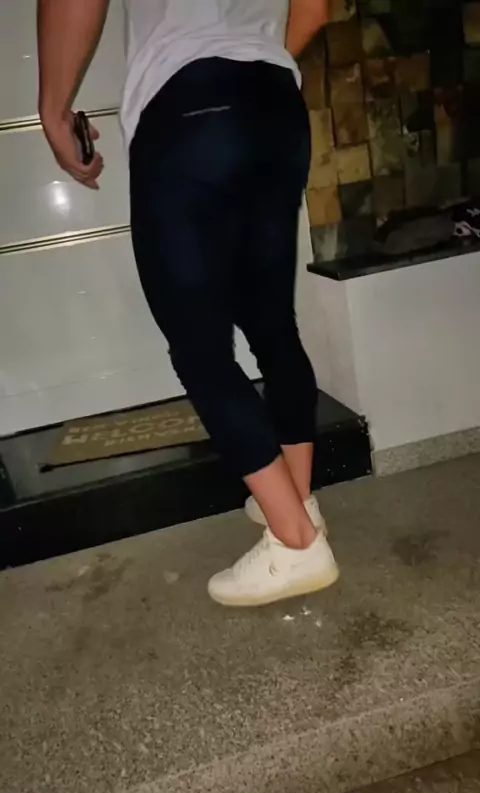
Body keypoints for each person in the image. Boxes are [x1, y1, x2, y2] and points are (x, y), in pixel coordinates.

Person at [37, 0, 338, 607]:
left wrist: (53, 109)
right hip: (275, 101)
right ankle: (296, 501)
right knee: (272, 324)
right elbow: (316, 8)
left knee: (199, 347)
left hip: (189, 102)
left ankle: (296, 543)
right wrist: (249, 69)